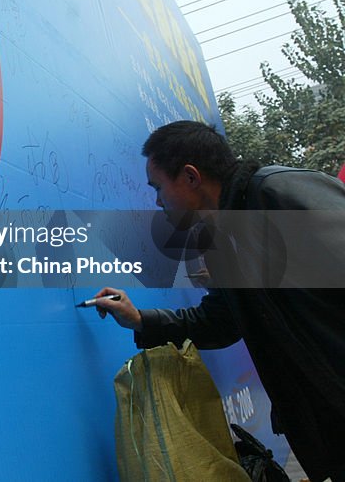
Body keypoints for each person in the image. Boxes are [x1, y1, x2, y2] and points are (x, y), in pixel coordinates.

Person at [94, 120, 345, 482]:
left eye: (159, 187)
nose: (157, 201)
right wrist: (140, 319)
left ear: (191, 177)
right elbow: (221, 321)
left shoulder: (277, 193)